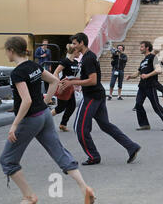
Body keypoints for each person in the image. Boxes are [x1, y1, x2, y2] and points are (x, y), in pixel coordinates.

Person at [0, 36, 95, 204]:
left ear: (11, 51)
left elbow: (26, 101)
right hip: (44, 115)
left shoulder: (17, 73)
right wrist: (46, 102)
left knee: (7, 160)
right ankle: (84, 187)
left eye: (6, 50)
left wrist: (14, 125)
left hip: (31, 119)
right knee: (59, 152)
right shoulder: (34, 65)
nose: (6, 53)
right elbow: (55, 81)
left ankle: (29, 197)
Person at [60, 32, 141, 166]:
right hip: (98, 95)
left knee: (79, 128)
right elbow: (88, 77)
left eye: (75, 43)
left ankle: (93, 156)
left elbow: (92, 81)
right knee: (106, 125)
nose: (73, 46)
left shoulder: (88, 58)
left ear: (81, 43)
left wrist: (72, 83)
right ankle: (131, 146)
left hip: (92, 96)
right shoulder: (87, 57)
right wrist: (71, 79)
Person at [126, 41, 163, 131]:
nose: (140, 48)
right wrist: (131, 76)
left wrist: (147, 75)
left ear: (147, 48)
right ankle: (144, 124)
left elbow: (159, 70)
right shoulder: (143, 61)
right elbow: (139, 72)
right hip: (142, 86)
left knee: (155, 105)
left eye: (142, 47)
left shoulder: (153, 57)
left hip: (150, 85)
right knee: (138, 104)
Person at [51, 44, 80, 132]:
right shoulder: (65, 61)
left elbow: (74, 75)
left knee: (72, 106)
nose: (80, 53)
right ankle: (43, 119)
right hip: (64, 86)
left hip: (70, 87)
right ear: (75, 51)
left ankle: (63, 124)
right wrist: (59, 83)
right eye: (78, 51)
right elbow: (55, 72)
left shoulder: (75, 62)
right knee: (60, 108)